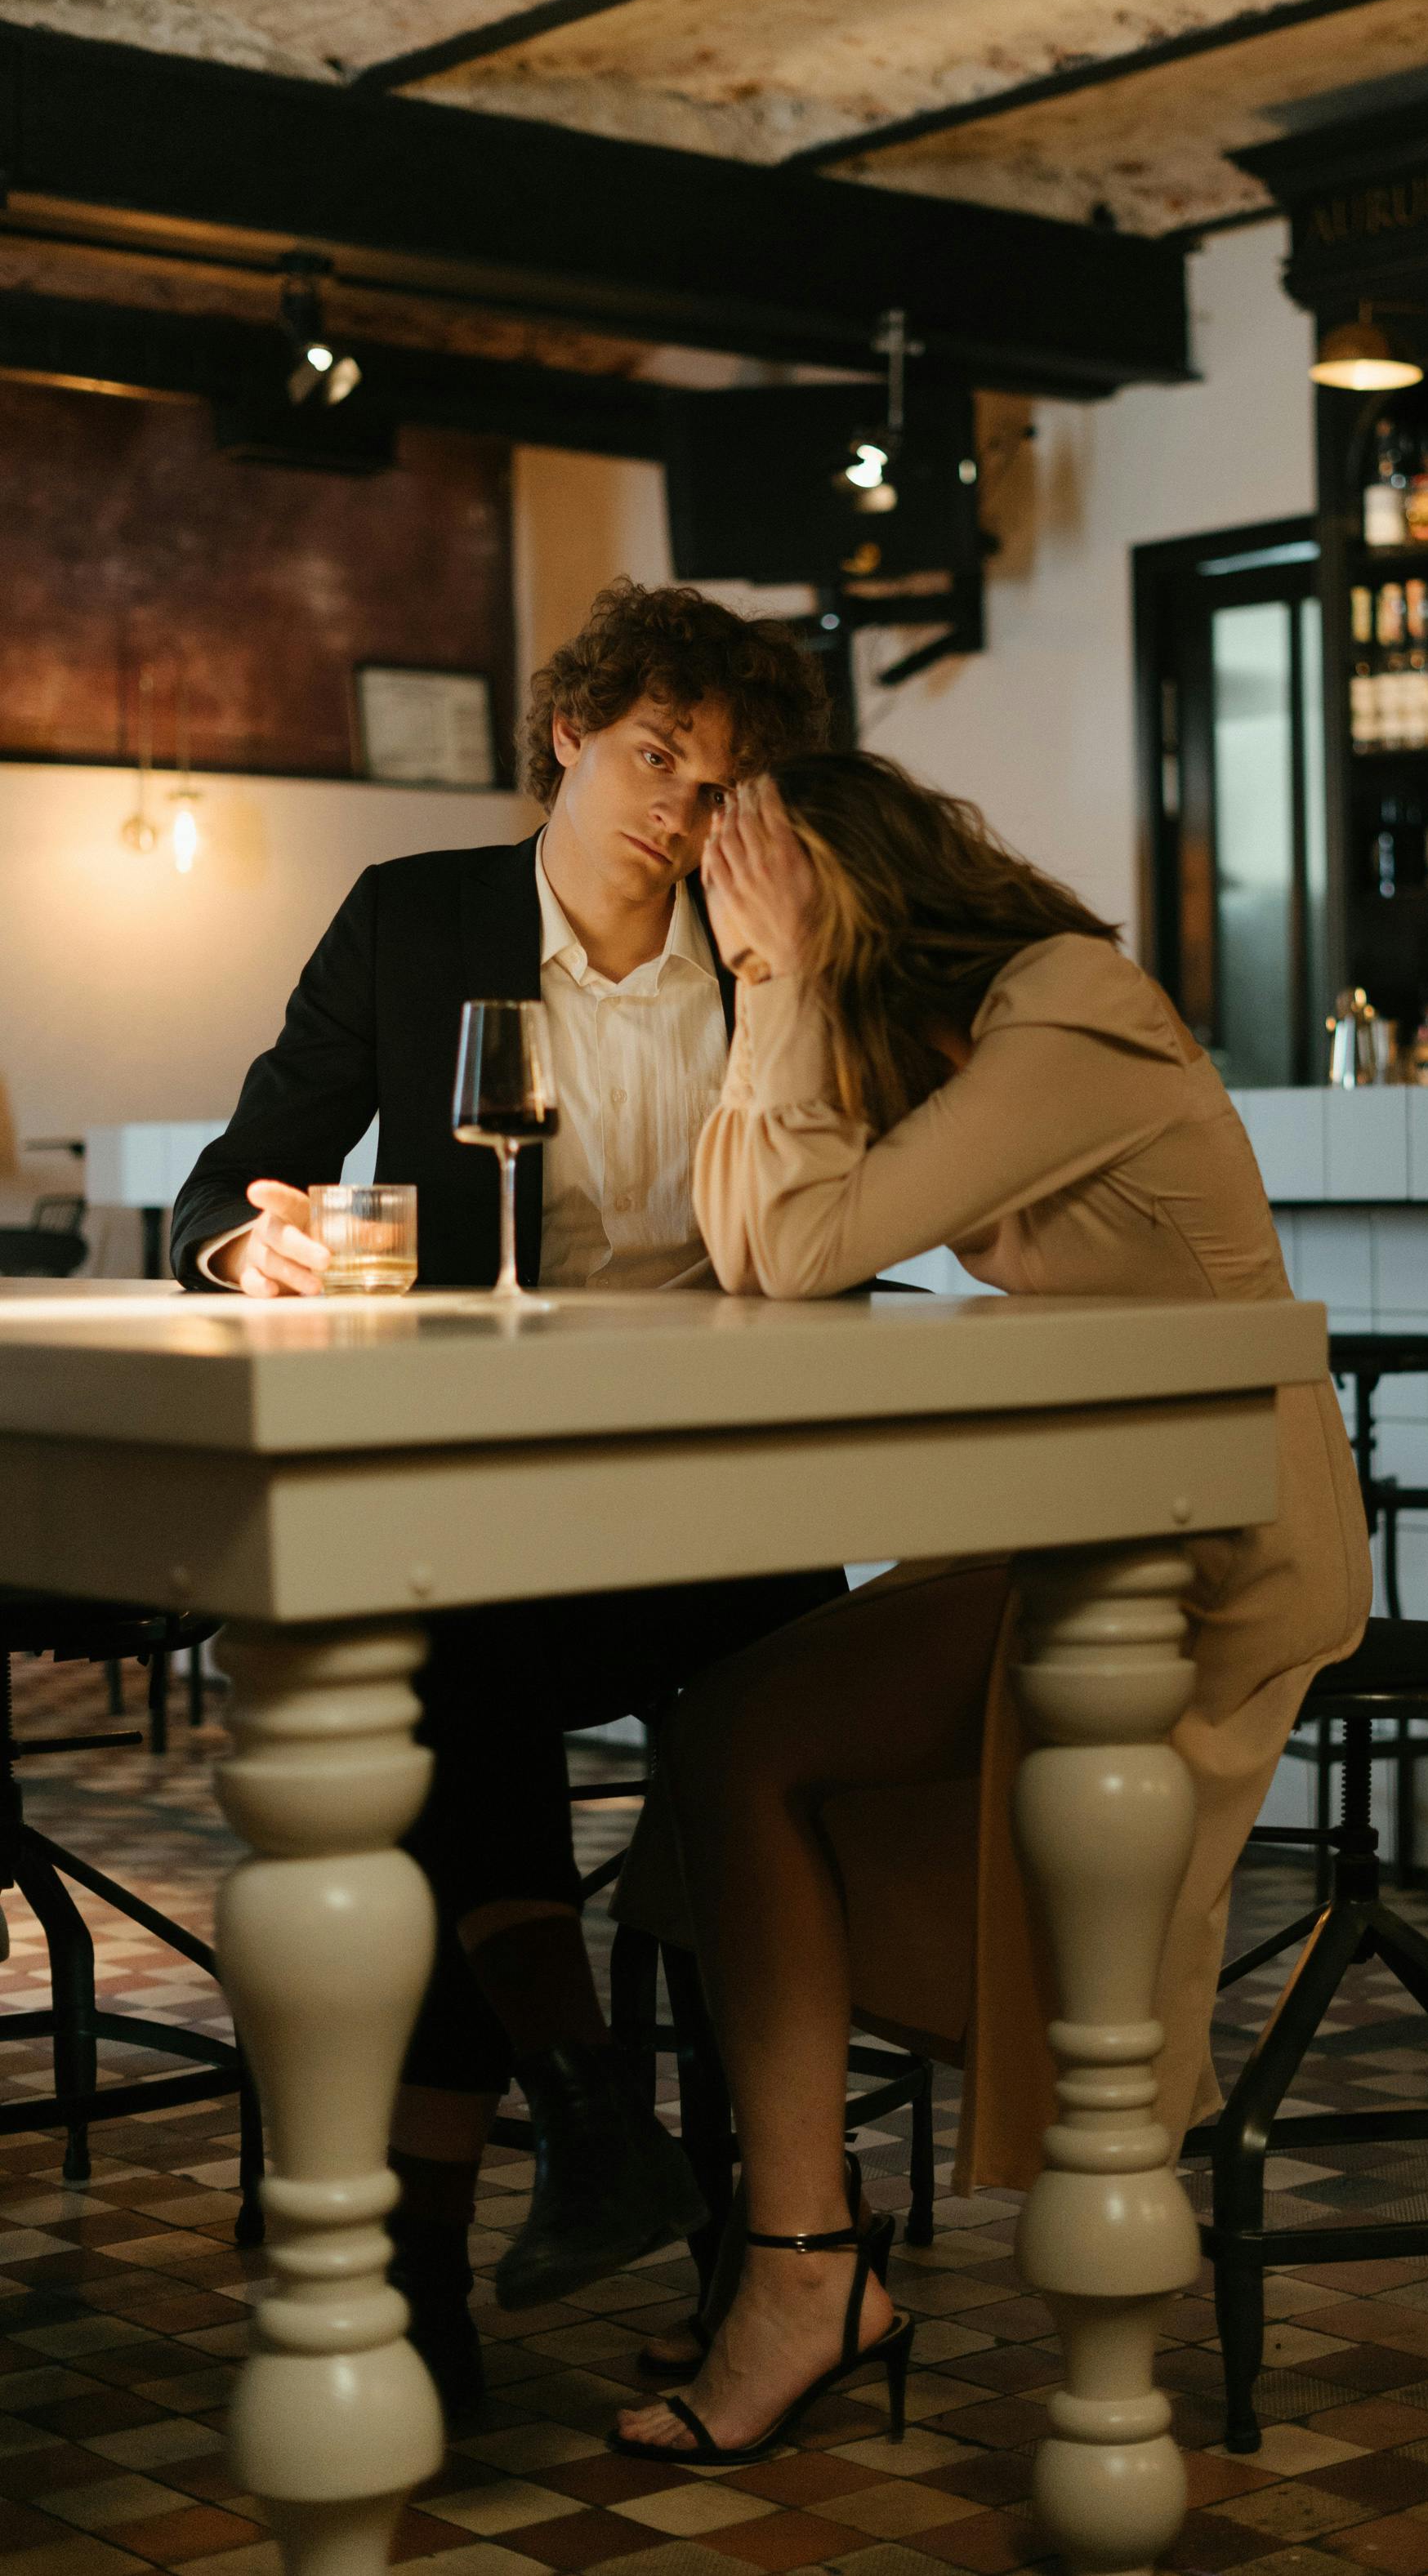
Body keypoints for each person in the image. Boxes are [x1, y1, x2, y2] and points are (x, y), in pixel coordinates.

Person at [609, 751, 1370, 2464]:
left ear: (847, 896)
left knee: (752, 1743)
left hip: (1210, 1535)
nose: (739, 940)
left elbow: (797, 1253)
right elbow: (754, 1242)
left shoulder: (1072, 1009)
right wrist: (764, 990)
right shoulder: (965, 1033)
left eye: (753, 906)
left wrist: (785, 979)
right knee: (735, 1733)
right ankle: (805, 2261)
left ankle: (808, 2277)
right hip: (1079, 1517)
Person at [169, 582, 841, 2412]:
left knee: (462, 1698)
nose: (676, 814)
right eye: (650, 758)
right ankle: (587, 2122)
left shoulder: (770, 945)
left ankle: (475, 2240)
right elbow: (229, 1181)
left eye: (717, 787)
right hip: (496, 1487)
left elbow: (845, 1209)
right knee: (446, 1667)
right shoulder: (418, 922)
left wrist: (786, 979)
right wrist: (256, 1244)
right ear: (568, 731)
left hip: (731, 1500)